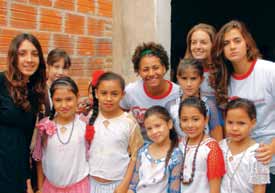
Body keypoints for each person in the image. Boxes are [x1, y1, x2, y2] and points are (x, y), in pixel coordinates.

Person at [210, 20, 275, 192]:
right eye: (226, 43)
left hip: (270, 158)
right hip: (240, 165)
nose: (232, 46)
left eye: (237, 40)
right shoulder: (224, 81)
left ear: (247, 42)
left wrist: (273, 147)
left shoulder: (269, 71)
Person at [0, 33, 47, 193]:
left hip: (16, 172)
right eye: (22, 53)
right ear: (14, 57)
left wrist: (26, 177)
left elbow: (26, 139)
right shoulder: (1, 83)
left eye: (34, 54)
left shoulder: (33, 91)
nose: (29, 59)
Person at [88, 72, 144, 193]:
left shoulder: (129, 122)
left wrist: (125, 184)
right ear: (96, 93)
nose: (109, 98)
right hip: (90, 184)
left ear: (122, 95)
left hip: (118, 186)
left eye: (114, 94)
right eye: (104, 93)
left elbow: (136, 156)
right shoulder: (89, 118)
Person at [32, 77, 90, 193]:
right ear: (52, 100)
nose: (64, 105)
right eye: (58, 100)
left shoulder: (85, 124)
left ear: (77, 97)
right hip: (50, 188)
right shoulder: (44, 125)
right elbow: (39, 160)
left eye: (69, 99)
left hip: (79, 187)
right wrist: (40, 187)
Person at [120, 42, 180, 141]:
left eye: (156, 68)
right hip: (142, 148)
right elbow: (115, 113)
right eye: (145, 69)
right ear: (138, 71)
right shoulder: (131, 92)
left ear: (164, 68)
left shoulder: (179, 93)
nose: (151, 73)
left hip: (172, 148)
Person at [128, 106, 183, 193]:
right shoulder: (142, 151)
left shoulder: (175, 156)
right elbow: (133, 185)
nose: (154, 131)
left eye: (157, 126)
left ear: (169, 124)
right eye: (149, 128)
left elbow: (174, 190)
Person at [220, 98, 270, 193]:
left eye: (241, 123)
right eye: (230, 122)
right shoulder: (221, 146)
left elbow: (259, 189)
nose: (234, 128)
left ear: (252, 123)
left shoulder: (258, 154)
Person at [166, 59, 223, 141]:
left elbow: (218, 138)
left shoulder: (210, 105)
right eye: (184, 78)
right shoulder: (171, 106)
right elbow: (168, 138)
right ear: (178, 78)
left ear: (201, 79)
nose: (189, 84)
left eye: (193, 79)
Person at [178, 97, 225, 193]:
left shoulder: (211, 148)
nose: (190, 125)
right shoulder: (179, 144)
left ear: (206, 119)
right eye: (184, 120)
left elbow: (215, 189)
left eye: (195, 119)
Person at [184, 23, 217, 98]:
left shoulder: (223, 72)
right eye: (194, 43)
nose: (197, 47)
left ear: (213, 45)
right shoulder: (185, 70)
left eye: (203, 42)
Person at [45, 48, 71, 114]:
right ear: (48, 67)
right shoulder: (40, 91)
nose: (60, 72)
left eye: (65, 68)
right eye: (56, 67)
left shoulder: (70, 92)